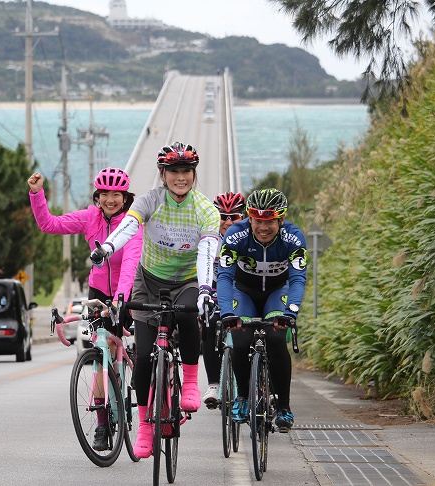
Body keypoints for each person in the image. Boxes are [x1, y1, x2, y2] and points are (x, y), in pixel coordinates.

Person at [89, 142, 220, 459]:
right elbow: (129, 225)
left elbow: (206, 252)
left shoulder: (205, 210)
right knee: (145, 358)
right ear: (163, 174)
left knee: (189, 316)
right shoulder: (150, 200)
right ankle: (146, 430)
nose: (180, 177)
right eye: (173, 171)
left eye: (186, 171)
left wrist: (204, 289)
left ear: (193, 174)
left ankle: (190, 382)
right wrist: (107, 248)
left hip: (187, 280)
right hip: (148, 282)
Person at [28, 167, 143, 450]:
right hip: (98, 293)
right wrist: (36, 194)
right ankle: (102, 422)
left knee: (141, 346)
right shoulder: (90, 217)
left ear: (125, 197)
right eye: (104, 194)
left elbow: (129, 264)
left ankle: (147, 399)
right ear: (98, 196)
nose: (110, 199)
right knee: (100, 354)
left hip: (128, 290)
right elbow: (49, 225)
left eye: (116, 194)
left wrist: (120, 299)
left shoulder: (132, 223)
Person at [216, 188, 307, 431]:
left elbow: (298, 279)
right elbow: (224, 277)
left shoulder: (294, 238)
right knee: (241, 338)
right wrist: (226, 312)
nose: (263, 228)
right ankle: (244, 397)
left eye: (269, 222)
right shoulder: (236, 234)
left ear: (281, 220)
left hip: (278, 291)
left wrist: (291, 312)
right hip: (243, 291)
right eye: (257, 221)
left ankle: (284, 407)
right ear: (249, 218)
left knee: (277, 339)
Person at [201, 192, 246, 409]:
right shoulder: (210, 238)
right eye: (222, 216)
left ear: (243, 217)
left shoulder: (248, 237)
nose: (227, 221)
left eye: (234, 217)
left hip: (243, 291)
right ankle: (213, 384)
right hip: (216, 291)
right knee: (208, 325)